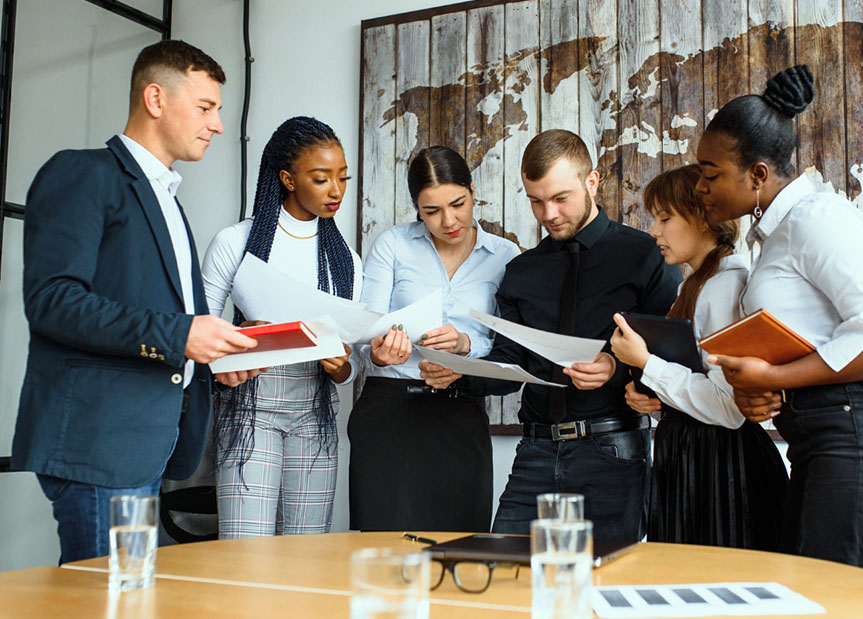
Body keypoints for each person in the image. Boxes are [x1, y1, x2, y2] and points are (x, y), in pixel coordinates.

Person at [11, 40, 256, 563]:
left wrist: (211, 359)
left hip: (147, 443)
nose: (216, 124)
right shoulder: (83, 173)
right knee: (108, 602)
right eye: (206, 107)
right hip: (100, 444)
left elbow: (164, 318)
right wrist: (181, 336)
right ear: (155, 99)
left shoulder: (167, 199)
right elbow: (52, 301)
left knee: (124, 598)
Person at [696, 65, 863, 582]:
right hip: (829, 442)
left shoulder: (816, 217)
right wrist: (761, 394)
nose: (700, 186)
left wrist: (776, 380)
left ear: (758, 174)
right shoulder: (775, 237)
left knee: (849, 610)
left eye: (710, 172)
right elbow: (817, 343)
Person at [420, 130, 682, 542]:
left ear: (591, 182)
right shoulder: (523, 271)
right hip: (535, 453)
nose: (548, 214)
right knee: (504, 583)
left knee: (603, 590)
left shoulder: (647, 256)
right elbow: (511, 362)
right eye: (535, 201)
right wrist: (460, 374)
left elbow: (670, 357)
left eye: (561, 198)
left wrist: (616, 370)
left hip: (613, 449)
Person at [609, 164, 788, 549]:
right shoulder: (696, 285)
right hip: (695, 463)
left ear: (703, 218)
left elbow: (729, 409)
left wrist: (647, 365)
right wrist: (655, 401)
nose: (654, 231)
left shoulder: (724, 287)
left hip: (722, 470)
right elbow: (699, 388)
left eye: (664, 217)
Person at [200, 117, 362, 538]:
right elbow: (196, 338)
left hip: (316, 416)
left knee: (305, 560)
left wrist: (340, 366)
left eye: (342, 178)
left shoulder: (345, 261)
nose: (336, 191)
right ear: (288, 178)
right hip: (251, 412)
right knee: (243, 553)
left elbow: (351, 369)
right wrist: (238, 341)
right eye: (321, 178)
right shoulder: (235, 243)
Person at [349, 145, 521, 532]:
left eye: (458, 203)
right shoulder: (392, 245)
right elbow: (364, 334)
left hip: (459, 414)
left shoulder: (506, 256)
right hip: (390, 412)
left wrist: (466, 346)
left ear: (473, 190)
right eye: (431, 211)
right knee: (384, 550)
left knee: (462, 543)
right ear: (416, 208)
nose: (448, 220)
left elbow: (512, 349)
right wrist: (378, 354)